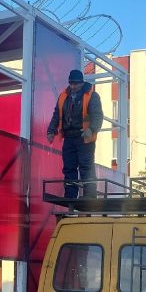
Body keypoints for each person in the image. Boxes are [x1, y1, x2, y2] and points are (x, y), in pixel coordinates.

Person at [46, 68, 104, 198]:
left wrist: (91, 129)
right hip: (69, 138)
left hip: (85, 138)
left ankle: (89, 196)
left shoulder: (92, 95)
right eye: (71, 83)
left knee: (86, 166)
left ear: (82, 83)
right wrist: (51, 131)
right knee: (69, 167)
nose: (73, 86)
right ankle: (70, 195)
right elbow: (57, 114)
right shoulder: (63, 96)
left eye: (76, 83)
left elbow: (98, 116)